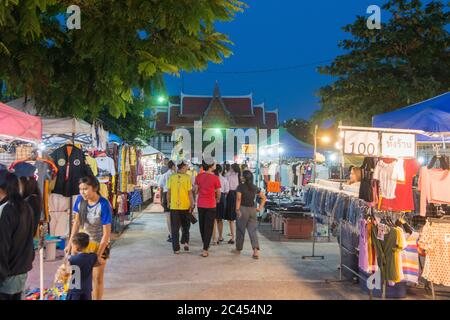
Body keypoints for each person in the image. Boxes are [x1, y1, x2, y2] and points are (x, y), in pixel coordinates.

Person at [65, 175, 112, 300]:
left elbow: (106, 234)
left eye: (85, 189)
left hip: (99, 244)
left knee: (97, 278)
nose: (82, 192)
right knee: (78, 278)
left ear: (95, 188)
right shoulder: (80, 200)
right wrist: (70, 244)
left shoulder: (104, 204)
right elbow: (76, 222)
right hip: (82, 243)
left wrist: (97, 255)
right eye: (81, 189)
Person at [0, 171, 35, 300]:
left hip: (6, 278)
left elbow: (2, 246)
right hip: (21, 273)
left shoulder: (5, 210)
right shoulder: (26, 207)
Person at [235, 170, 266, 259]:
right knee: (252, 231)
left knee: (240, 230)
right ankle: (255, 251)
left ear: (244, 177)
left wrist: (237, 209)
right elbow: (264, 197)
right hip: (252, 210)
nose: (240, 177)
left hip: (242, 209)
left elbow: (238, 199)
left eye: (241, 176)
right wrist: (260, 208)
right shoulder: (254, 187)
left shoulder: (240, 187)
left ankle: (238, 249)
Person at [194, 160, 221, 258]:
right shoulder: (215, 178)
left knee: (202, 225)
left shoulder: (199, 176)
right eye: (214, 164)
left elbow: (196, 191)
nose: (215, 165)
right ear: (210, 166)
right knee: (209, 226)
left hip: (201, 204)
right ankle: (205, 248)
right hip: (211, 205)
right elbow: (218, 192)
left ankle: (205, 244)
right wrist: (217, 199)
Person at [167, 162, 195, 254]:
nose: (187, 167)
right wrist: (192, 203)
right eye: (186, 166)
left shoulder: (172, 177)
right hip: (185, 206)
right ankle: (186, 243)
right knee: (186, 226)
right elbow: (190, 193)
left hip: (174, 206)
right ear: (183, 167)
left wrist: (168, 202)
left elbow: (169, 191)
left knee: (175, 228)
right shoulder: (187, 177)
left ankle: (176, 249)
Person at [66, 232, 98, 300]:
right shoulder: (92, 257)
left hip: (75, 290)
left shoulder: (72, 259)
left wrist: (70, 254)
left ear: (76, 247)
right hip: (87, 289)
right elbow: (100, 261)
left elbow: (65, 270)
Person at [159, 160, 176, 242]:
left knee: (168, 217)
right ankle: (176, 233)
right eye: (175, 166)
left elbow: (161, 188)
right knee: (176, 216)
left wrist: (161, 200)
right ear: (173, 166)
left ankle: (172, 235)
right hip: (175, 195)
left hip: (166, 195)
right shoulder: (176, 175)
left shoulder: (164, 175)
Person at [224, 163, 241, 244]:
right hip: (239, 195)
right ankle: (236, 236)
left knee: (231, 219)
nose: (230, 168)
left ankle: (233, 237)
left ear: (232, 168)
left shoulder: (228, 175)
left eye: (231, 167)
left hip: (230, 195)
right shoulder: (239, 175)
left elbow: (226, 187)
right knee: (237, 218)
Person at [214, 164, 229, 244]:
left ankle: (214, 238)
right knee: (220, 219)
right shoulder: (224, 179)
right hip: (222, 198)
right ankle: (220, 236)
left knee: (213, 219)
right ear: (221, 170)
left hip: (213, 197)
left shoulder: (212, 178)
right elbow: (227, 191)